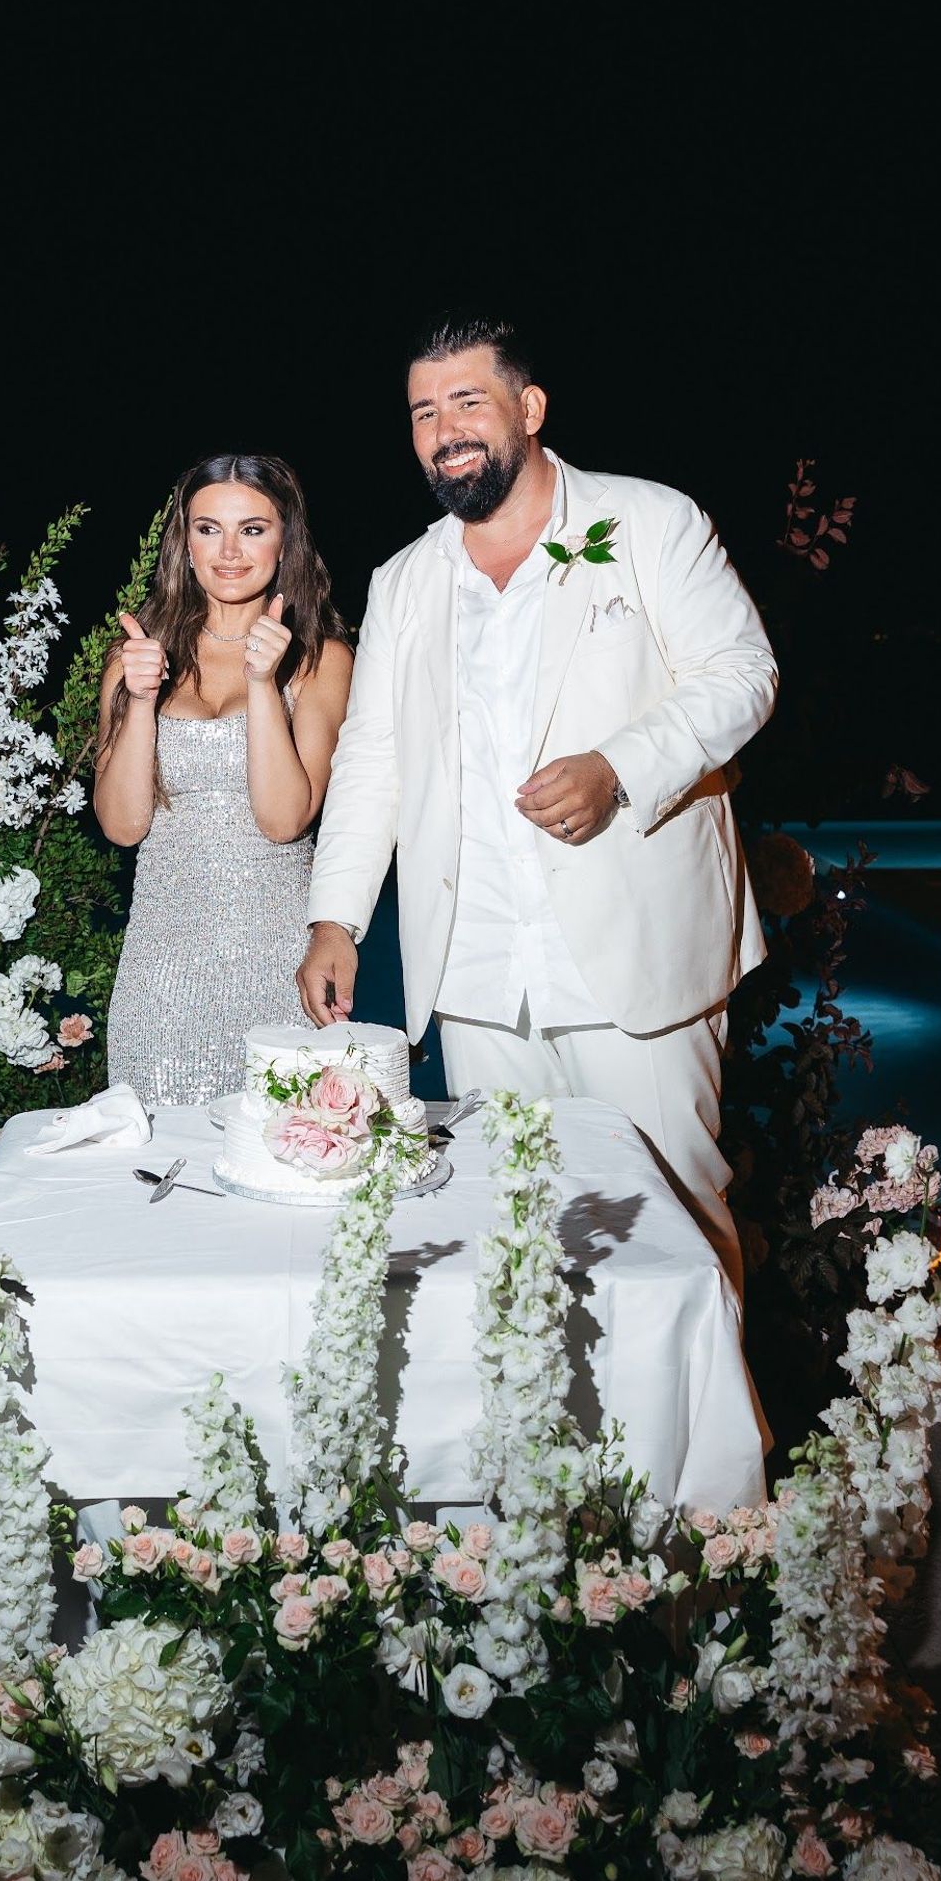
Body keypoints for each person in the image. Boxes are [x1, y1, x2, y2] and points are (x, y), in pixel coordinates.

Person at [297, 319, 777, 1294]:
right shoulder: (403, 580)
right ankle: (543, 1443)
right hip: (477, 979)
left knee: (674, 1239)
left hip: (634, 963)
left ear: (528, 408)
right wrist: (334, 915)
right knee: (516, 1243)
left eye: (466, 401)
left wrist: (618, 766)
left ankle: (696, 1452)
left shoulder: (649, 522)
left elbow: (741, 673)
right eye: (423, 412)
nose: (443, 430)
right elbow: (372, 758)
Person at [98, 451, 352, 1104]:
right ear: (184, 542)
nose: (229, 551)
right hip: (161, 974)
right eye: (208, 528)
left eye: (253, 528)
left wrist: (262, 683)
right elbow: (123, 826)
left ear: (284, 540)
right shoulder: (137, 658)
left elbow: (283, 820)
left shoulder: (322, 659)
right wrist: (141, 700)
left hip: (278, 967)